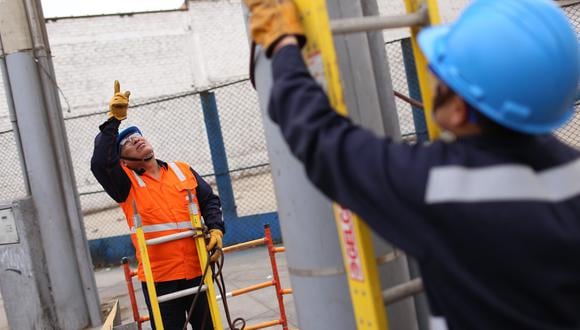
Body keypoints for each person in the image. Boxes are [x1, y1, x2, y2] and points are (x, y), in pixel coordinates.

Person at [244, 0, 580, 329]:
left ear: (460, 109)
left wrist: (284, 44)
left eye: (440, 73)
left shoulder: (440, 190)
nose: (432, 76)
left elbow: (320, 138)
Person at [91, 81, 225, 330]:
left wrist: (216, 230)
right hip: (160, 278)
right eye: (128, 142)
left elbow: (209, 201)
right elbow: (100, 163)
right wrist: (113, 122)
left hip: (198, 269)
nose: (136, 140)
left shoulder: (181, 169)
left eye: (138, 136)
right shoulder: (126, 184)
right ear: (124, 162)